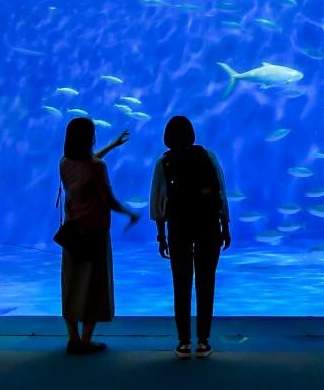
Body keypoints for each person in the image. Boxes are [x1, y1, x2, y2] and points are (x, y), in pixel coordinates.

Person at [149, 116, 230, 358]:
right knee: (207, 283)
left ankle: (183, 342)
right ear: (192, 134)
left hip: (178, 227)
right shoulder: (208, 156)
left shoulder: (164, 162)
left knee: (181, 284)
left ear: (167, 137)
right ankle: (203, 341)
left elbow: (158, 202)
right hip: (208, 226)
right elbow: (221, 191)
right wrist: (225, 225)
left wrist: (161, 236)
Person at [58, 117, 139, 355]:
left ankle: (72, 338)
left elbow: (86, 167)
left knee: (72, 284)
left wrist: (112, 146)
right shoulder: (97, 167)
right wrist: (130, 213)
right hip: (94, 232)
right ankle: (85, 340)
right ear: (89, 138)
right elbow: (108, 199)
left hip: (72, 232)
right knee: (93, 286)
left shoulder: (64, 163)